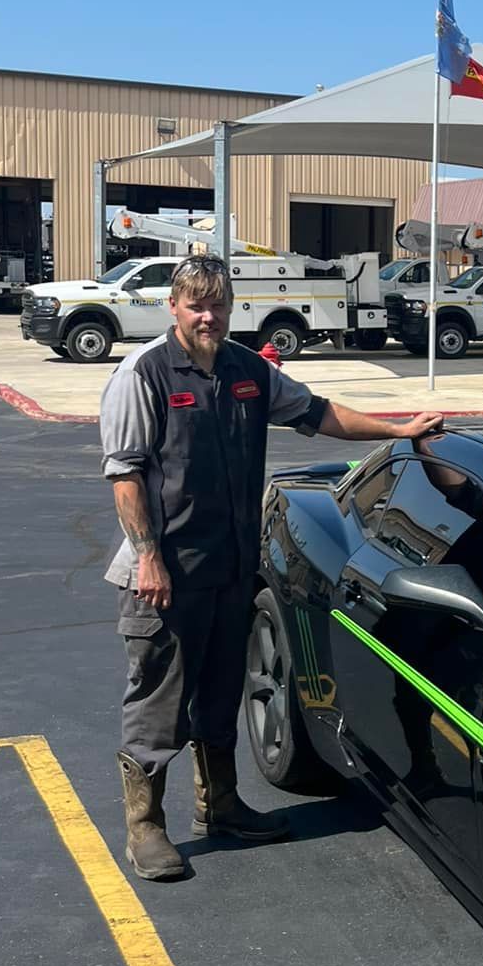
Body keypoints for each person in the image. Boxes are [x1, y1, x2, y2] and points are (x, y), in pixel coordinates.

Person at [100, 254, 446, 882]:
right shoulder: (143, 373)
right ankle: (145, 827)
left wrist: (397, 430)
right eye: (196, 305)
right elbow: (124, 475)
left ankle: (221, 805)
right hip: (166, 575)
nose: (209, 316)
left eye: (219, 304)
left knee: (220, 690)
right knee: (157, 700)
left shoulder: (246, 372)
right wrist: (149, 558)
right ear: (173, 307)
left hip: (230, 568)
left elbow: (318, 413)